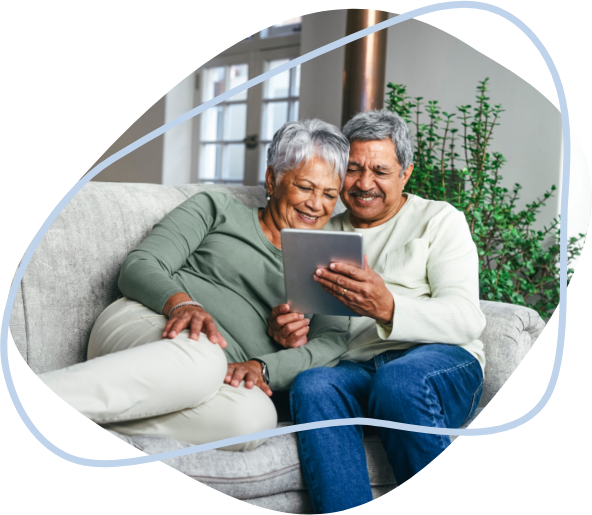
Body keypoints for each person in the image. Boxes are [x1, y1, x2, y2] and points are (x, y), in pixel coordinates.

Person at [38, 119, 351, 451]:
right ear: (273, 179)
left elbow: (331, 342)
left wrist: (264, 365)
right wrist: (183, 304)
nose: (316, 205)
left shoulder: (328, 261)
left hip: (215, 379)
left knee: (254, 420)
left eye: (329, 194)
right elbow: (140, 265)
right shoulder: (217, 209)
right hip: (150, 328)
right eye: (305, 187)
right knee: (204, 358)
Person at [268, 109, 486, 511]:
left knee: (398, 380)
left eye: (381, 171)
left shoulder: (439, 220)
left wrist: (389, 309)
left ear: (406, 173)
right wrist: (292, 332)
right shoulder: (321, 230)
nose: (365, 183)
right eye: (353, 169)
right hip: (354, 370)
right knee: (313, 385)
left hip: (438, 361)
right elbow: (319, 329)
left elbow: (467, 318)